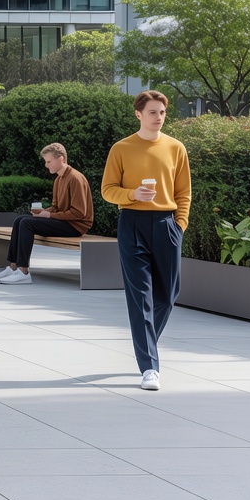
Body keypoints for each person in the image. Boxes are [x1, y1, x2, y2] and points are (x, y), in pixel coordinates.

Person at [101, 89, 190, 392]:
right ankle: (150, 366)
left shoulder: (176, 148)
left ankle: (145, 341)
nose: (158, 118)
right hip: (133, 223)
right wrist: (132, 194)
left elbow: (184, 193)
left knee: (168, 295)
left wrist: (180, 225)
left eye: (162, 112)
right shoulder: (122, 148)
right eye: (152, 112)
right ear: (138, 114)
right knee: (140, 298)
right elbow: (107, 189)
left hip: (167, 224)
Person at [0, 142, 94, 285]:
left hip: (76, 226)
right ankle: (13, 267)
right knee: (19, 220)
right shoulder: (58, 179)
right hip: (64, 221)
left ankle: (23, 272)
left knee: (26, 223)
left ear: (61, 159)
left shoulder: (76, 178)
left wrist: (50, 216)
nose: (46, 165)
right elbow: (56, 206)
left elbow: (79, 213)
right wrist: (44, 212)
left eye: (49, 161)